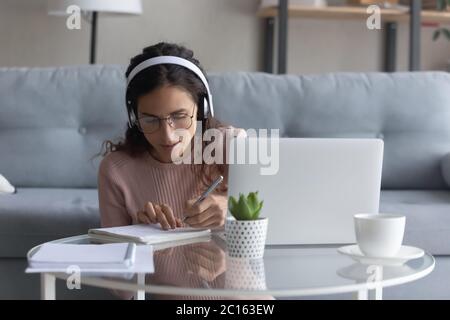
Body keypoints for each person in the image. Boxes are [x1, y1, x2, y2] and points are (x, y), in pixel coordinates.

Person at [97, 42, 244, 231]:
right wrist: (140, 232)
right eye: (150, 120)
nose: (167, 136)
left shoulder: (230, 146)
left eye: (179, 116)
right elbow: (112, 254)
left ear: (202, 109)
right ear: (133, 117)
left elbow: (279, 217)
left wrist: (231, 208)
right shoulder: (116, 170)